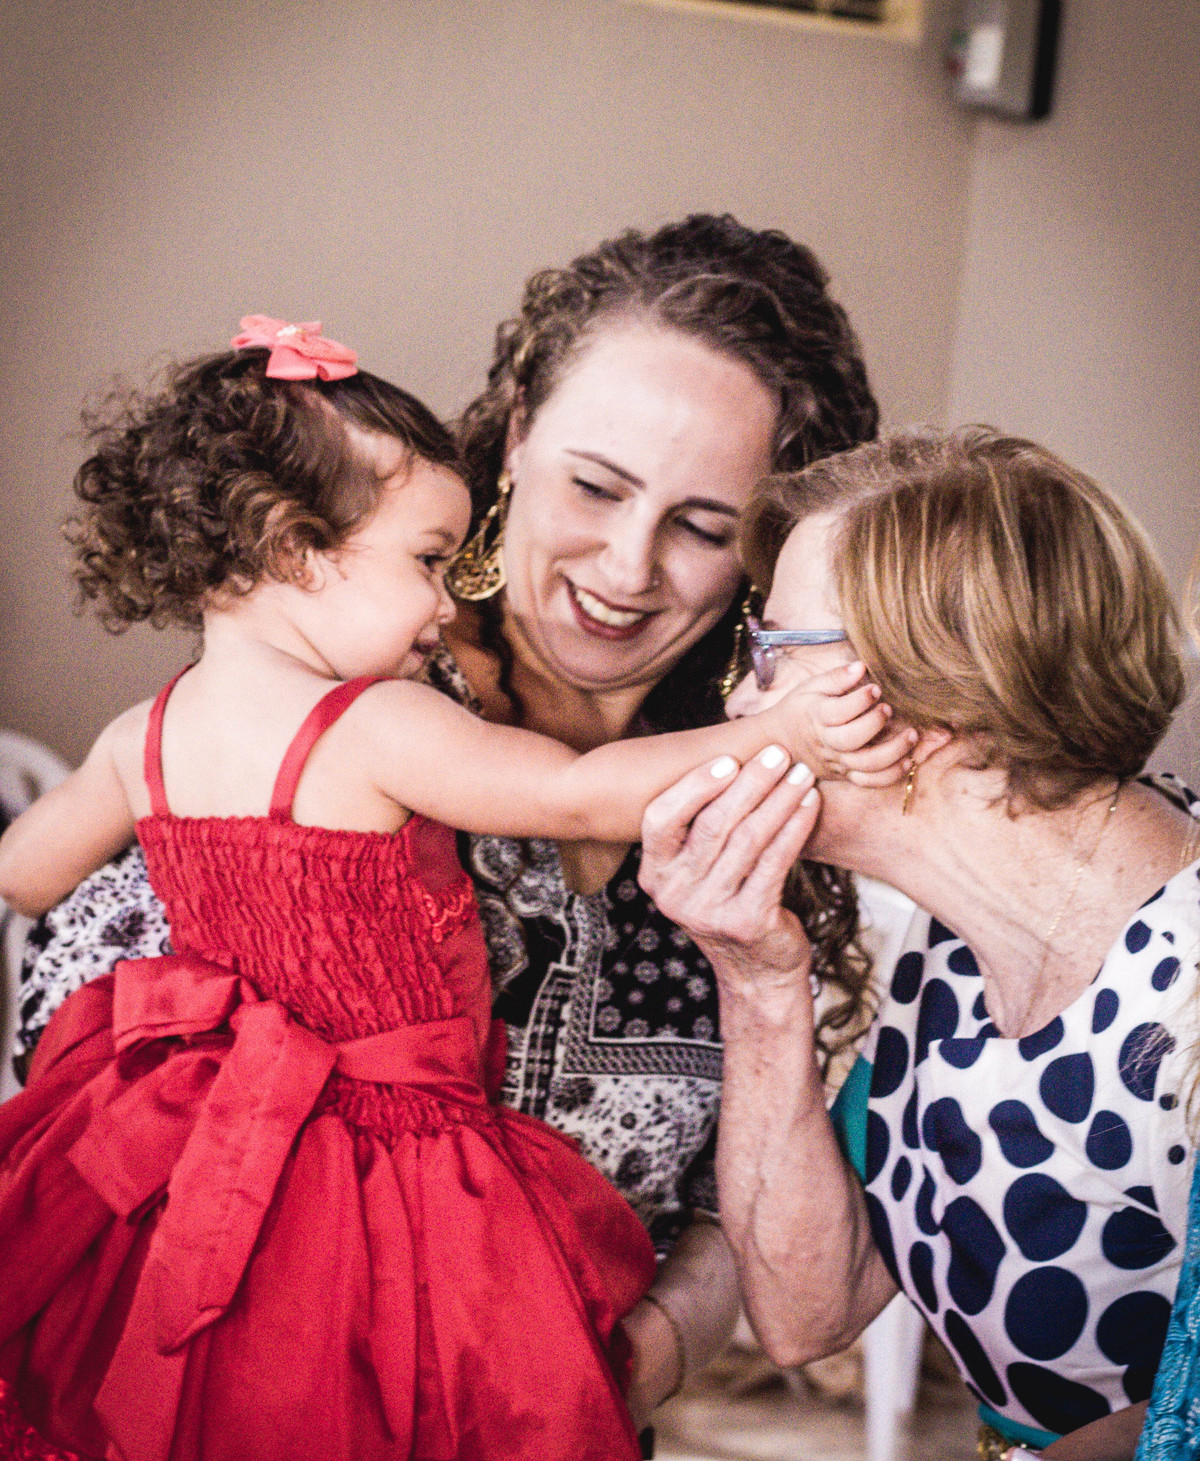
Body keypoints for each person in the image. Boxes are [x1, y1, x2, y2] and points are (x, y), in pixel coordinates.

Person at [10, 214, 889, 1432]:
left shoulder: (746, 796)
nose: (628, 566)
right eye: (596, 486)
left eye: (701, 527)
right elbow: (80, 1056)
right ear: (518, 435)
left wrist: (641, 1356)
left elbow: (761, 1250)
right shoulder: (335, 720)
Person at [637, 426, 1198, 1461]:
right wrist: (757, 979)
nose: (739, 699)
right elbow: (808, 1313)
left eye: (771, 653)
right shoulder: (953, 943)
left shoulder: (1190, 973)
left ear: (931, 699)